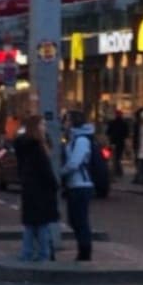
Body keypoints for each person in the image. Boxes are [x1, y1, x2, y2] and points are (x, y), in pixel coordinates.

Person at [14, 116, 59, 261]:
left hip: (29, 189)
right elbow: (46, 171)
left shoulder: (23, 146)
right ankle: (43, 255)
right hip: (40, 190)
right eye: (42, 125)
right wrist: (54, 185)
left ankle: (26, 254)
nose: (44, 127)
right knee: (42, 225)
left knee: (30, 225)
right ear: (37, 127)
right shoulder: (37, 148)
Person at [60, 110, 95, 261]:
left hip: (81, 185)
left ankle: (85, 252)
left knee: (80, 219)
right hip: (74, 185)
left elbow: (75, 162)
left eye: (67, 120)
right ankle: (83, 249)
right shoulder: (73, 139)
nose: (65, 124)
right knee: (74, 219)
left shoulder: (81, 140)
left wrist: (61, 172)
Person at [106, 108, 129, 179]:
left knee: (113, 158)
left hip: (113, 142)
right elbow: (126, 135)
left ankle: (116, 171)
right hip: (119, 143)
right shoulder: (124, 123)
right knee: (117, 158)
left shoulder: (112, 123)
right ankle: (117, 171)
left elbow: (108, 132)